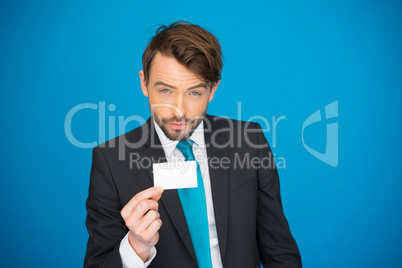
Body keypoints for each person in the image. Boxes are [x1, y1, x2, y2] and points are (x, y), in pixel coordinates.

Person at [84, 21, 302, 268]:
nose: (180, 111)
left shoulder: (249, 141)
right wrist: (136, 246)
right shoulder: (111, 161)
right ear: (144, 83)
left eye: (194, 93)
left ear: (212, 89)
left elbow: (280, 251)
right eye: (165, 91)